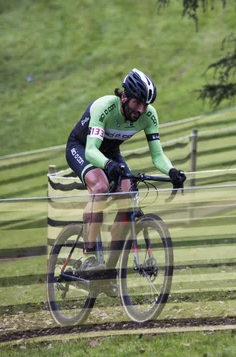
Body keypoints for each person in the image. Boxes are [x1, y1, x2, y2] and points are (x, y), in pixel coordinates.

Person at [65, 68, 186, 282]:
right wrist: (108, 165)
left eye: (145, 104)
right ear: (123, 97)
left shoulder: (149, 115)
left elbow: (157, 155)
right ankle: (89, 255)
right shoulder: (104, 107)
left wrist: (172, 171)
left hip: (110, 153)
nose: (141, 109)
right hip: (82, 148)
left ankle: (108, 270)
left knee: (128, 197)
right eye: (136, 103)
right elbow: (92, 150)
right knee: (100, 188)